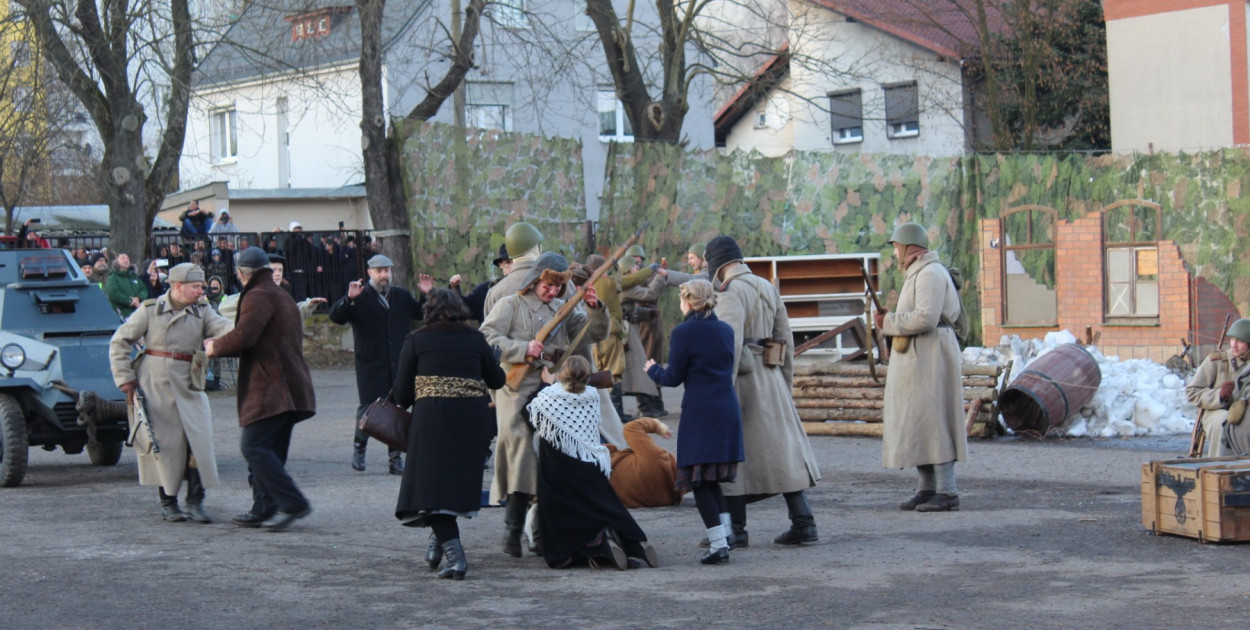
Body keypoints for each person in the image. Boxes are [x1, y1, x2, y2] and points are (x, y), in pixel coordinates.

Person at [480, 251, 608, 557]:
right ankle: (513, 531)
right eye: (547, 285)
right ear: (535, 279)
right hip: (515, 389)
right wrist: (523, 348)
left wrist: (595, 308)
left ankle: (539, 532)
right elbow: (486, 337)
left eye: (558, 287)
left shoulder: (562, 309)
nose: (552, 291)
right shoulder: (510, 304)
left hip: (551, 388)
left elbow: (594, 333)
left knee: (553, 456)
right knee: (520, 453)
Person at [705, 234, 821, 546]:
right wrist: (784, 384)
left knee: (733, 454)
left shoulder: (729, 292)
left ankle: (735, 529)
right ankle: (804, 522)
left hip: (744, 384)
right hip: (771, 379)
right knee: (783, 454)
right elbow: (785, 341)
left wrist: (720, 392)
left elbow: (728, 345)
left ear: (716, 264)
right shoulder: (767, 287)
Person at [393, 289, 506, 580]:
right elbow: (497, 381)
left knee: (428, 490)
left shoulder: (417, 339)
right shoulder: (475, 338)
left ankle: (456, 559)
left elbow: (403, 395)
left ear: (429, 309)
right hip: (473, 421)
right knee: (450, 488)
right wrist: (494, 360)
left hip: (433, 420)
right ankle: (438, 544)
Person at [108, 263, 234, 523]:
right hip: (157, 382)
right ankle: (169, 502)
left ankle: (195, 501)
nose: (201, 291)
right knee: (165, 444)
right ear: (178, 286)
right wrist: (125, 379)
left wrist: (248, 329)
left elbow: (224, 327)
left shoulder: (202, 310)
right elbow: (120, 341)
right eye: (195, 286)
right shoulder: (150, 310)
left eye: (201, 286)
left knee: (199, 441)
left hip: (190, 381)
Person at [205, 247, 317, 532]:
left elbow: (245, 336)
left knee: (253, 446)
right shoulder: (281, 295)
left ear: (241, 274)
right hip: (291, 386)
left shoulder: (258, 296)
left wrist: (214, 347)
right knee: (271, 450)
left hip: (271, 388)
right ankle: (264, 507)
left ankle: (293, 503)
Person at [645, 278, 744, 563]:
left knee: (699, 482)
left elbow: (673, 377)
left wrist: (653, 370)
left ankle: (719, 545)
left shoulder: (683, 332)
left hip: (701, 413)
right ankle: (726, 535)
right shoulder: (725, 330)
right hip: (727, 409)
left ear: (688, 302)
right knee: (713, 480)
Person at [527, 356, 658, 570]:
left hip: (558, 471)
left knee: (561, 516)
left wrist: (546, 383)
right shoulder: (591, 395)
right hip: (590, 464)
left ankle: (600, 546)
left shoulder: (548, 397)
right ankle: (634, 542)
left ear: (561, 375)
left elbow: (528, 414)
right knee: (605, 506)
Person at [874, 222, 966, 513]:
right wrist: (891, 318)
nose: (896, 254)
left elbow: (926, 318)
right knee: (920, 423)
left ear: (909, 248)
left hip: (931, 355)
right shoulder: (920, 273)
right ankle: (927, 489)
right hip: (920, 357)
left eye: (897, 248)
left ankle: (947, 491)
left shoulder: (929, 274)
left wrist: (889, 322)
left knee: (935, 421)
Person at [328, 254, 433, 474]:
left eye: (386, 271)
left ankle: (395, 458)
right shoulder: (360, 296)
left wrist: (425, 294)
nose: (384, 275)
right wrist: (349, 299)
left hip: (399, 361)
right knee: (369, 407)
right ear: (370, 273)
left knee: (397, 408)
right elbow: (336, 317)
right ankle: (359, 450)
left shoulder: (401, 296)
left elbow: (420, 313)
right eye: (379, 271)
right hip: (370, 363)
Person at [582, 253, 656, 422]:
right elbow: (630, 280)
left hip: (595, 334)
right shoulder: (606, 283)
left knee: (601, 370)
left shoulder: (586, 284)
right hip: (610, 332)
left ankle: (608, 413)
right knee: (614, 371)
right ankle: (616, 414)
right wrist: (650, 270)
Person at [1185, 318, 1250, 457]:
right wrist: (1219, 395)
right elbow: (1192, 392)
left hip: (1244, 413)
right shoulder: (1217, 361)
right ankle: (1219, 466)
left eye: (1240, 341)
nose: (1234, 345)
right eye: (1232, 339)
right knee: (1225, 421)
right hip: (1216, 413)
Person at [619, 245, 668, 416]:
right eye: (634, 265)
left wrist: (647, 314)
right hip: (628, 331)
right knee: (638, 367)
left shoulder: (628, 283)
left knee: (644, 364)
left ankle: (651, 405)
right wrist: (660, 276)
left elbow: (632, 309)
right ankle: (645, 407)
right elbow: (649, 294)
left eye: (638, 262)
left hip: (634, 326)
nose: (637, 267)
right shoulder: (626, 285)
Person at [604, 418, 684, 509]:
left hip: (599, 461)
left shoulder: (656, 460)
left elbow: (631, 428)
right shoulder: (668, 499)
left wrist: (657, 425)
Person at [456, 244, 511, 323]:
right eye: (508, 262)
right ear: (501, 265)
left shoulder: (529, 288)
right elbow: (465, 310)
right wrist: (455, 289)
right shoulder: (486, 290)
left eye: (517, 261)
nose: (514, 266)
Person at [104, 253, 149, 318]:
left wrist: (139, 298)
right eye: (123, 258)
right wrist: (130, 301)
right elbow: (113, 293)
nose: (126, 260)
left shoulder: (134, 276)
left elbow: (144, 289)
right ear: (116, 262)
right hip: (124, 314)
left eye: (127, 258)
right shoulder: (113, 278)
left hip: (140, 311)